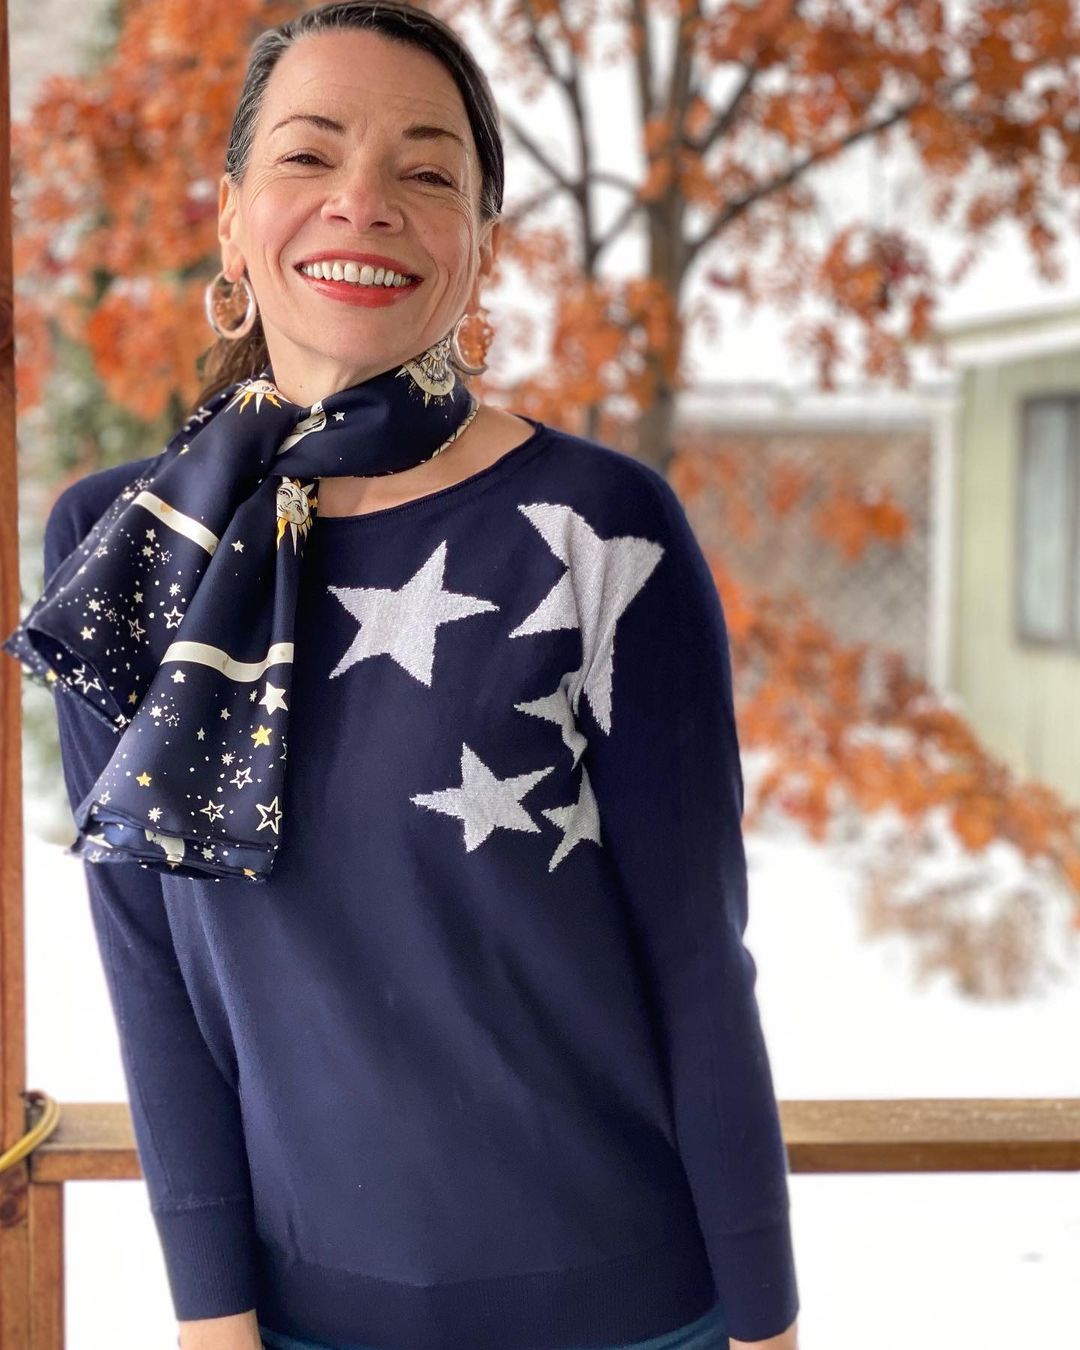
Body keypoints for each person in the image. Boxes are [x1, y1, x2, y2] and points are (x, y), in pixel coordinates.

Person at [4, 4, 801, 1349]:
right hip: (296, 1321)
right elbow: (149, 969)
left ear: (479, 244)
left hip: (631, 1309)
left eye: (426, 171)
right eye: (310, 155)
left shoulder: (602, 525)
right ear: (231, 219)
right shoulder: (124, 543)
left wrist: (769, 1324)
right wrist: (211, 1316)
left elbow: (698, 959)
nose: (362, 201)